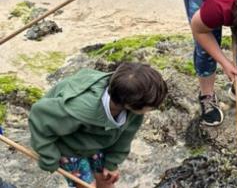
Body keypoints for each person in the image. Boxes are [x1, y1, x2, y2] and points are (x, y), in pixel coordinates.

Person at [29, 62, 167, 188]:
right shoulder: (79, 108)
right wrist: (49, 157)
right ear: (130, 104)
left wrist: (112, 162)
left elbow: (126, 134)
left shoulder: (131, 102)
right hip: (69, 147)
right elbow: (39, 115)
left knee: (107, 181)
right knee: (86, 185)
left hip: (97, 141)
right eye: (151, 107)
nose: (153, 109)